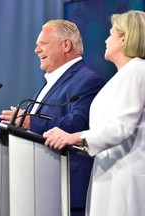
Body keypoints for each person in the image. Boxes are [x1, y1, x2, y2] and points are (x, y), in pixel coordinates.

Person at [0, 20, 105, 216]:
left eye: (43, 43)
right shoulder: (51, 81)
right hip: (38, 186)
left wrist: (31, 121)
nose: (36, 50)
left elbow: (79, 124)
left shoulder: (88, 80)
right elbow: (30, 125)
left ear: (66, 45)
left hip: (65, 187)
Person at [43, 10, 145, 216]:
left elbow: (121, 127)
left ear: (124, 38)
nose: (106, 40)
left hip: (125, 179)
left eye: (111, 34)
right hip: (111, 173)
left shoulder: (136, 71)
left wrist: (75, 137)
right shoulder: (123, 75)